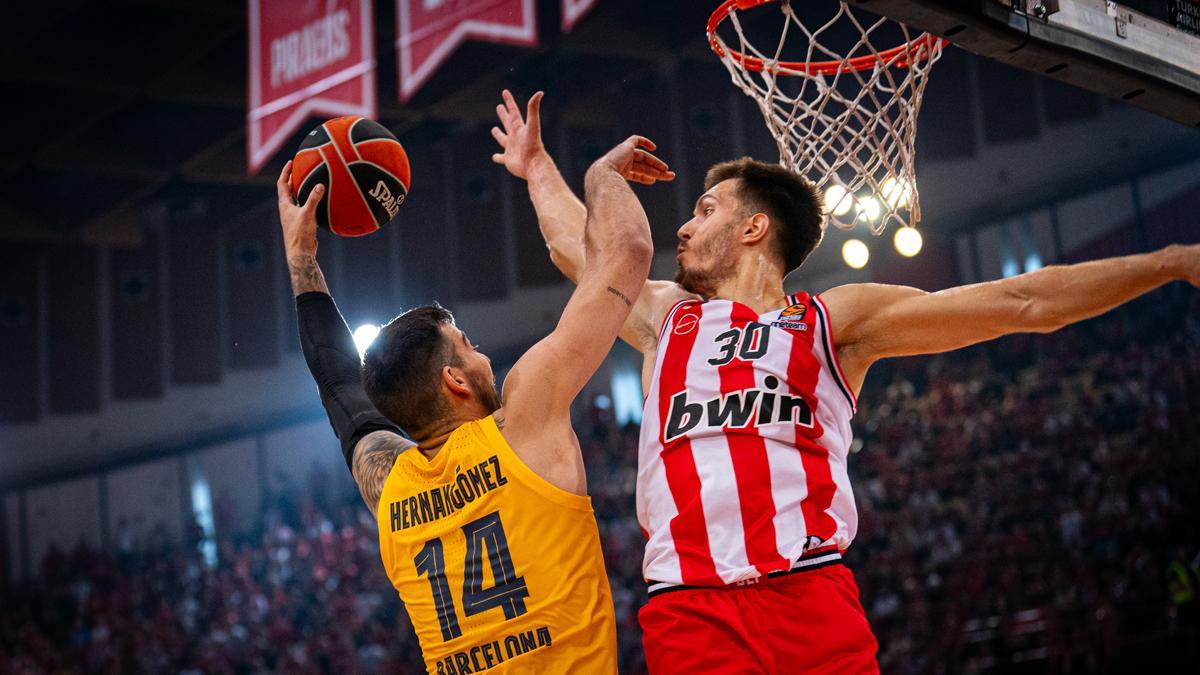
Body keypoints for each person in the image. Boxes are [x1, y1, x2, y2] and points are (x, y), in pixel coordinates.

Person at [490, 89, 1200, 673]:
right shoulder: (663, 315)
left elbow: (1023, 303)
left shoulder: (836, 319)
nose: (682, 227)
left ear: (753, 228)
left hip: (810, 594)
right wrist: (537, 166)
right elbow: (573, 244)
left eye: (704, 210)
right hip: (691, 605)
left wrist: (1167, 261)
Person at [275, 130, 659, 673]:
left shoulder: (389, 486)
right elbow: (629, 253)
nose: (483, 359)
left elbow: (339, 387)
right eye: (471, 348)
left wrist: (299, 257)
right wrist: (601, 176)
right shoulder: (523, 424)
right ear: (455, 381)